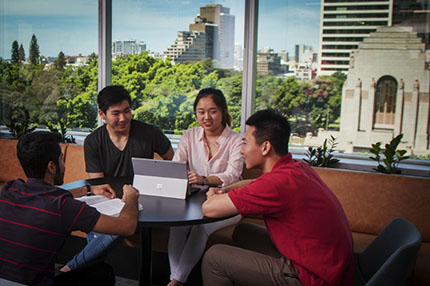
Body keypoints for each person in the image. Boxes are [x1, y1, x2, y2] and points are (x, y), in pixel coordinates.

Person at [201, 109, 354, 286]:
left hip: (314, 277)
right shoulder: (297, 168)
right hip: (329, 266)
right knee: (244, 231)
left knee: (215, 258)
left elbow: (209, 209)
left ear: (265, 147)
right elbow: (254, 183)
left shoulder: (276, 184)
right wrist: (226, 189)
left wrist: (213, 195)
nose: (242, 150)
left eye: (245, 143)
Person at [0, 131, 139, 286]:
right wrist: (131, 196)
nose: (63, 165)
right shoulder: (64, 206)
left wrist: (88, 189)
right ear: (51, 167)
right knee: (103, 272)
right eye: (61, 159)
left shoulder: (8, 190)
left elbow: (44, 196)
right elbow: (127, 227)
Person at [61, 85, 173, 273]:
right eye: (116, 113)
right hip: (108, 201)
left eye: (127, 111)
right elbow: (98, 184)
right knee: (113, 227)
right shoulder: (93, 141)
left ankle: (69, 269)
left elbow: (172, 161)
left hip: (141, 202)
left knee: (114, 227)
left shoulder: (150, 133)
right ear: (101, 114)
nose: (123, 118)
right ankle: (82, 272)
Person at [167, 88, 244, 286]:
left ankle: (176, 281)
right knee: (176, 227)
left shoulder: (236, 140)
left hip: (228, 201)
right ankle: (174, 278)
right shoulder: (189, 135)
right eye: (201, 112)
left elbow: (233, 175)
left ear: (223, 112)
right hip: (194, 199)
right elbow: (177, 165)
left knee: (201, 227)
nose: (206, 117)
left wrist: (204, 179)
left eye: (212, 111)